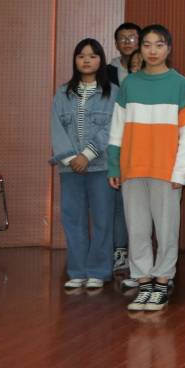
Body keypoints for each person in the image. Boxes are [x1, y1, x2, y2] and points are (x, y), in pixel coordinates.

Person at [107, 24, 185, 312]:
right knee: (137, 229)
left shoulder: (180, 84)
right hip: (132, 167)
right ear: (140, 49)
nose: (153, 50)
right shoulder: (130, 84)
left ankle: (162, 281)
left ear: (168, 48)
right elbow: (117, 129)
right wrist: (114, 165)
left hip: (166, 170)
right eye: (147, 45)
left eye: (159, 45)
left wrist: (180, 171)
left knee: (167, 229)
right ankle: (144, 281)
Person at [50, 39, 117, 289]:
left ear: (101, 60)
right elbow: (56, 127)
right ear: (75, 60)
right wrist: (71, 157)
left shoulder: (113, 92)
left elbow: (113, 127)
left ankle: (98, 271)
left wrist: (87, 155)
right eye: (81, 56)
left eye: (92, 56)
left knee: (102, 220)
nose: (86, 60)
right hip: (70, 168)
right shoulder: (62, 92)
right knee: (73, 219)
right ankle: (77, 271)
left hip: (100, 166)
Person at [108, 21, 140, 280]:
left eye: (132, 37)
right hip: (118, 143)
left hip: (144, 147)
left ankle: (140, 255)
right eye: (123, 38)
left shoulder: (154, 73)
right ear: (116, 43)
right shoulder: (107, 72)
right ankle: (120, 250)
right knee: (119, 203)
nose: (128, 42)